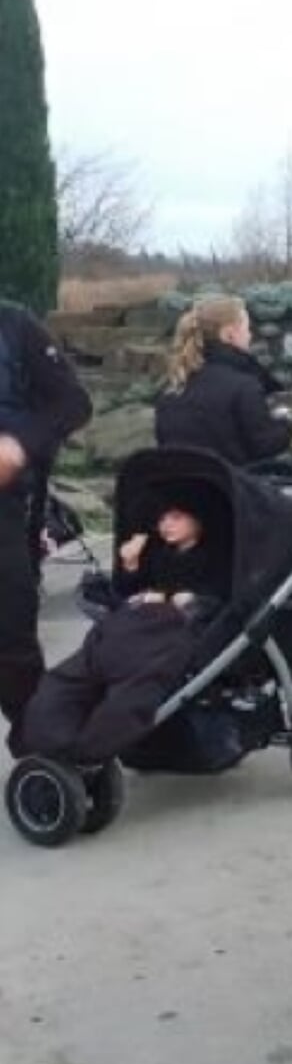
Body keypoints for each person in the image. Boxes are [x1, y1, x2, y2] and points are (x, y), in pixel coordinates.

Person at [21, 485, 226, 764]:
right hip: (130, 630)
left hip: (171, 632)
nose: (165, 525)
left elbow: (216, 597)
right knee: (73, 676)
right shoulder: (159, 553)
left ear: (198, 519)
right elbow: (130, 592)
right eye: (162, 519)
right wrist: (130, 564)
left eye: (176, 518)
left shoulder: (215, 558)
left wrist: (175, 599)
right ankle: (49, 734)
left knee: (131, 689)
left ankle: (90, 749)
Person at [1, 300, 93, 758]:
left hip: (6, 504)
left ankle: (40, 749)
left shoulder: (14, 326)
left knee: (11, 632)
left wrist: (19, 446)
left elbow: (72, 403)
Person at [154, 294, 292, 465]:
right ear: (229, 334)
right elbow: (264, 446)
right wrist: (286, 422)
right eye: (247, 329)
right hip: (229, 487)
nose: (250, 336)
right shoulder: (243, 386)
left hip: (180, 487)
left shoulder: (173, 385)